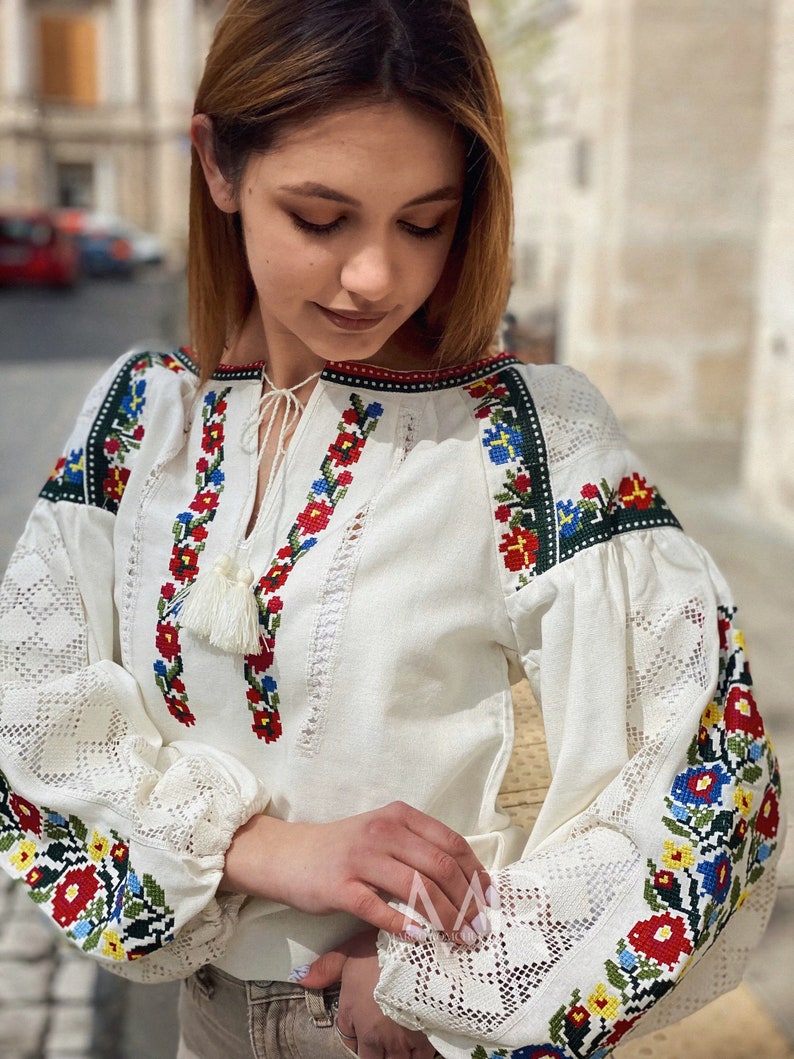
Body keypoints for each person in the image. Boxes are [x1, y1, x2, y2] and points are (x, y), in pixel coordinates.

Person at [0, 1, 783, 1057]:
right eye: (319, 218)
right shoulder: (139, 423)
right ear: (218, 167)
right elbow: (29, 712)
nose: (374, 274)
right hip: (203, 1027)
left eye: (423, 222)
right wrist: (259, 845)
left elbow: (709, 784)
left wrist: (445, 962)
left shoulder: (522, 439)